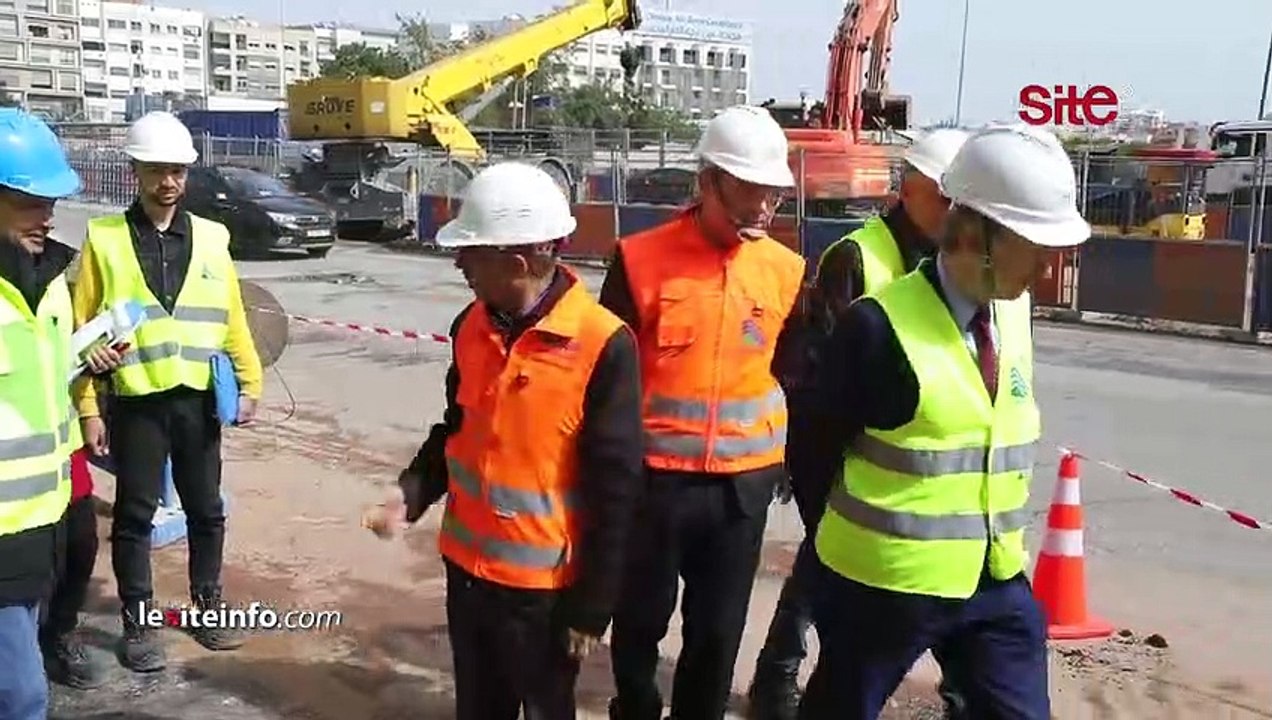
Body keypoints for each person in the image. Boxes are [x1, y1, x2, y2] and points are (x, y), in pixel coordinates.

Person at [797, 124, 1091, 720]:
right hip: (882, 585)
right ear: (976, 235)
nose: (1050, 265)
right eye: (1035, 245)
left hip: (993, 578)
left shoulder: (1012, 316)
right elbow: (812, 455)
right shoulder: (876, 328)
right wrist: (841, 564)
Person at [362, 162, 645, 720]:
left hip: (543, 594)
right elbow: (455, 428)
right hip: (466, 576)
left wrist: (592, 609)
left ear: (516, 262)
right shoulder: (470, 324)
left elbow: (617, 492)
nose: (459, 263)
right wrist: (411, 495)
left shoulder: (603, 345)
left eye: (471, 252)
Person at [747, 128, 971, 720]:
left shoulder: (956, 262)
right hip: (849, 454)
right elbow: (815, 373)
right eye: (945, 197)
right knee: (829, 562)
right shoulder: (857, 257)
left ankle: (780, 678)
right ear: (912, 187)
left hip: (919, 457)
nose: (952, 211)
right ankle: (779, 681)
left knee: (901, 573)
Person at [601, 105, 807, 720]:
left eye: (771, 193)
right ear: (707, 180)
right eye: (748, 189)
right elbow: (605, 381)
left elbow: (792, 373)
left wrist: (789, 463)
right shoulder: (640, 259)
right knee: (638, 624)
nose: (762, 206)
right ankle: (635, 709)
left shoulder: (787, 271)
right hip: (653, 483)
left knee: (717, 634)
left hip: (741, 492)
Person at [71, 110, 264, 672]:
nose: (168, 181)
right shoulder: (105, 239)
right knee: (134, 515)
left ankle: (208, 606)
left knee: (207, 509)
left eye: (177, 171)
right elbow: (84, 330)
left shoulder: (211, 238)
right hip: (135, 403)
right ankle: (138, 623)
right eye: (156, 170)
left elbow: (232, 319)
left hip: (196, 400)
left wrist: (249, 383)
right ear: (135, 170)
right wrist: (88, 406)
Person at [0, 107, 105, 720]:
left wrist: (88, 362)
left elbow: (43, 381)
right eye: (28, 202)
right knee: (23, 698)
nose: (47, 215)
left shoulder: (51, 284)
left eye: (51, 201)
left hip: (44, 522)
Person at [39, 447, 109, 689]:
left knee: (82, 546)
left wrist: (90, 412)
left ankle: (60, 631)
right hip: (14, 481)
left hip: (66, 465)